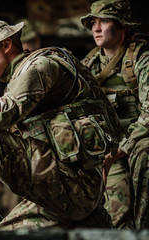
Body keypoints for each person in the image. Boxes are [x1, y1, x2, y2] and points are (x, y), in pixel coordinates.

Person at [0, 20, 120, 229]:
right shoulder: (13, 84)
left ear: (6, 45)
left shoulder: (41, 66)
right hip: (65, 193)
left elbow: (2, 115)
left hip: (77, 186)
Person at [80, 0, 149, 230]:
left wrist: (121, 150)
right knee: (115, 218)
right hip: (109, 148)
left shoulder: (141, 57)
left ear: (122, 27)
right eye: (93, 22)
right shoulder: (88, 65)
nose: (96, 28)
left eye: (104, 21)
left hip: (137, 143)